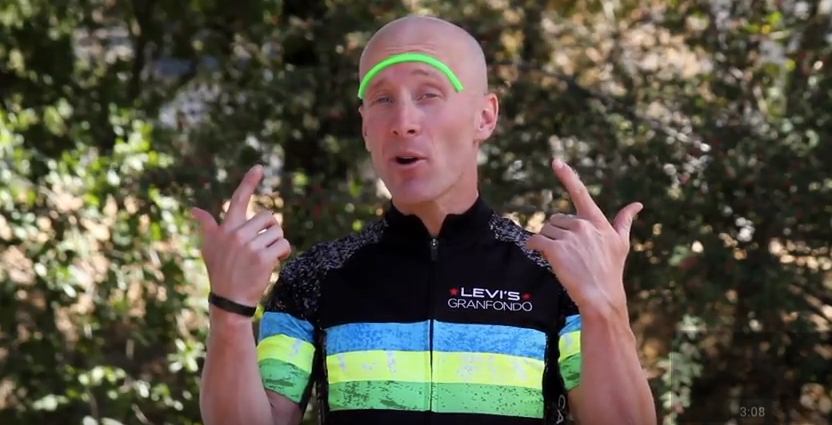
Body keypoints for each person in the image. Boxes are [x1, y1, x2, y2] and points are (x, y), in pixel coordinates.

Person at [193, 15, 656, 425]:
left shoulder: (553, 276)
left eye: (428, 94)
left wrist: (605, 306)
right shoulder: (314, 278)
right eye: (382, 99)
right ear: (365, 126)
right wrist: (230, 309)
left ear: (484, 117)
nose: (404, 122)